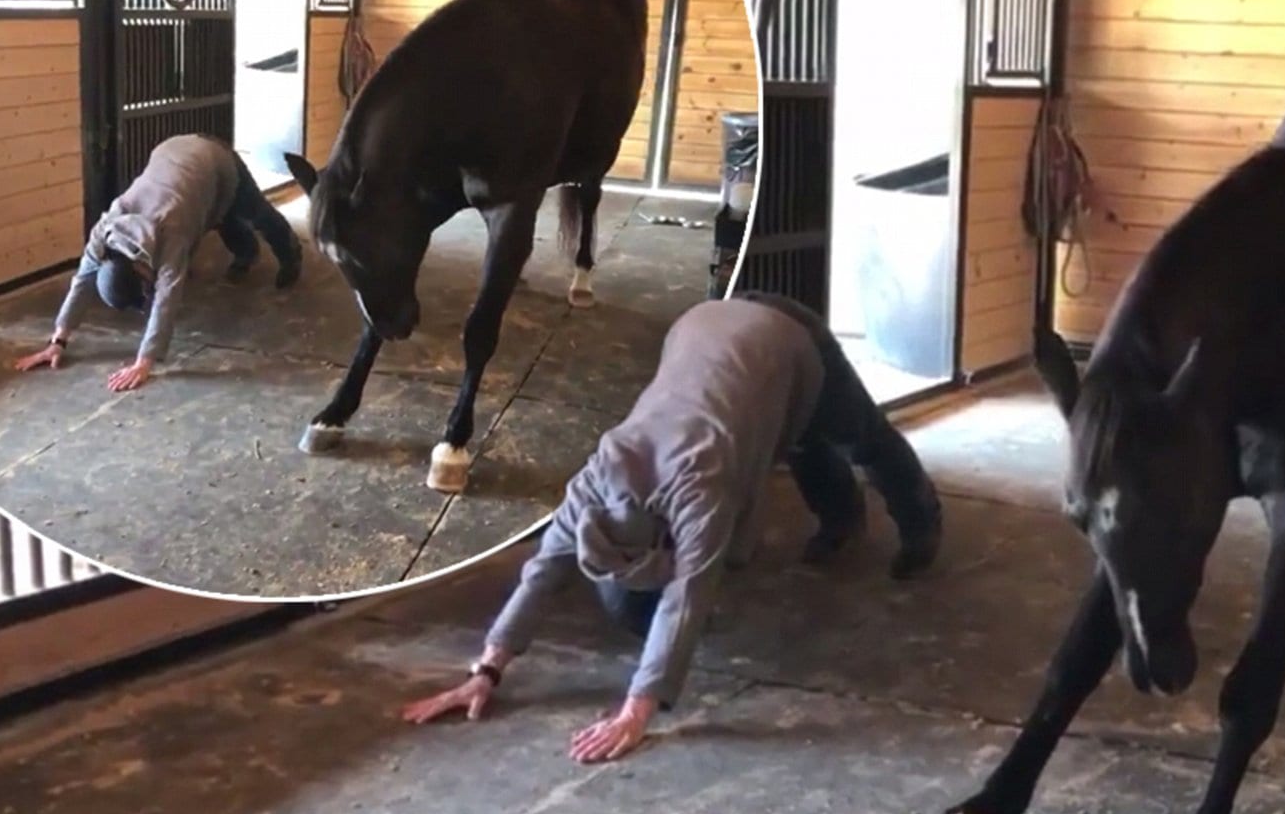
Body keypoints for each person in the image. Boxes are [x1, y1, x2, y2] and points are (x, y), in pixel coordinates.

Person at [400, 290, 945, 762]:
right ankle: (842, 520)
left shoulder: (696, 486)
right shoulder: (591, 488)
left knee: (854, 435)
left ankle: (922, 521)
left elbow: (691, 589)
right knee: (780, 431)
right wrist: (486, 669)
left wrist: (639, 707)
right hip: (703, 332)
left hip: (783, 336)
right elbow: (542, 572)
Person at [12, 134, 303, 392]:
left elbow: (167, 298)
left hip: (213, 158)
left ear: (141, 269)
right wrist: (57, 341)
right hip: (173, 157)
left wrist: (144, 362)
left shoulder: (171, 232)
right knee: (213, 214)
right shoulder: (106, 229)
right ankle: (246, 253)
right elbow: (82, 282)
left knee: (253, 212)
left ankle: (291, 253)